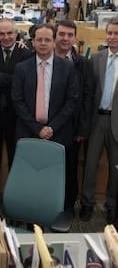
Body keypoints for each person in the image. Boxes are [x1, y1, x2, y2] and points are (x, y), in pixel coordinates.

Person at [0, 19, 33, 197]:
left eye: (9, 33)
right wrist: (9, 78)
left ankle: (14, 197)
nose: (6, 37)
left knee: (15, 159)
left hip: (16, 116)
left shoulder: (25, 53)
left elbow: (23, 82)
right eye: (1, 34)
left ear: (16, 33)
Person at [11, 23, 79, 148]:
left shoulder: (67, 68)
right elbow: (17, 101)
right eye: (39, 40)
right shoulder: (21, 68)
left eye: (47, 40)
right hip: (28, 132)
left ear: (54, 42)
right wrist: (38, 128)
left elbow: (72, 100)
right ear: (33, 42)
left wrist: (52, 128)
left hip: (58, 133)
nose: (43, 43)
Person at [80, 17, 118, 223]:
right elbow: (89, 92)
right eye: (110, 33)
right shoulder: (96, 58)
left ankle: (112, 206)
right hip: (97, 120)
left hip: (116, 122)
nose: (112, 37)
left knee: (115, 168)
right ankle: (87, 204)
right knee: (90, 164)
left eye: (116, 34)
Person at [54, 20, 93, 216]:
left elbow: (87, 97)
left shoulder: (82, 64)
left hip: (72, 127)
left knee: (70, 170)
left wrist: (82, 129)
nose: (65, 38)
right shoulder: (43, 59)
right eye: (62, 34)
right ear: (55, 35)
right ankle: (48, 205)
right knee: (49, 170)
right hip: (47, 127)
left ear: (75, 37)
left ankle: (67, 208)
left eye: (70, 35)